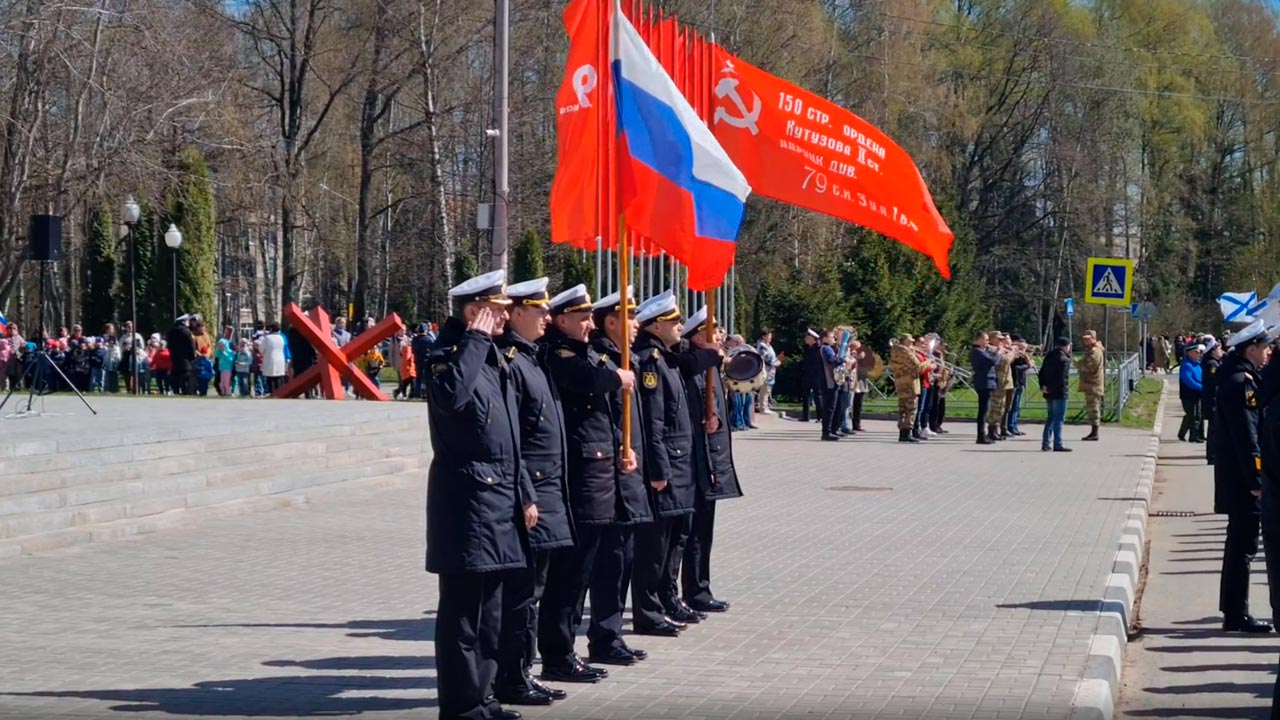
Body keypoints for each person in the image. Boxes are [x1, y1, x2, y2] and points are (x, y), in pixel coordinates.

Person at [423, 269, 530, 720]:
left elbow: (509, 437)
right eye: (497, 311)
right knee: (463, 614)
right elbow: (451, 398)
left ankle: (484, 697)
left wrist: (524, 493)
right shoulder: (447, 355)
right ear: (473, 313)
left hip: (501, 500)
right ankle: (462, 704)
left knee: (491, 613)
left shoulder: (489, 356)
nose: (505, 319)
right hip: (466, 502)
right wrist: (475, 342)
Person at [538, 285, 639, 685]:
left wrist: (621, 445)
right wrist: (617, 376)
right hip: (579, 481)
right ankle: (557, 654)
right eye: (582, 318)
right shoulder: (558, 353)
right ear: (561, 320)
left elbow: (604, 413)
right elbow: (585, 381)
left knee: (580, 573)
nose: (589, 324)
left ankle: (565, 653)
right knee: (567, 577)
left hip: (600, 477)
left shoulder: (588, 352)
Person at [492, 277, 574, 706]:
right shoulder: (512, 361)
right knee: (523, 594)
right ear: (517, 312)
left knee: (533, 592)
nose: (547, 316)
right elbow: (516, 440)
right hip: (531, 496)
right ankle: (512, 677)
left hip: (546, 493)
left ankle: (521, 671)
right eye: (539, 310)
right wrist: (525, 493)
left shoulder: (531, 358)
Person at [631, 290, 719, 646]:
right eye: (675, 322)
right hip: (666, 465)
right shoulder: (651, 361)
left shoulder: (668, 357)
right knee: (655, 546)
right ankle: (649, 611)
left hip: (682, 463)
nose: (680, 326)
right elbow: (653, 424)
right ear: (656, 326)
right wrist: (659, 469)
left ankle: (668, 599)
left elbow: (691, 364)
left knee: (675, 539)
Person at [1213, 320, 1274, 635]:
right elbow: (1247, 437)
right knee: (1244, 546)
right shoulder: (1242, 383)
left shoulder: (1235, 376)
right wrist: (1255, 480)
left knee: (1238, 543)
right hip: (1242, 479)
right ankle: (1237, 613)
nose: (1267, 353)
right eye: (1264, 348)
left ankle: (1233, 609)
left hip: (1235, 475)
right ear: (1251, 348)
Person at [680, 305, 740, 616]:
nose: (718, 335)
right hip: (693, 458)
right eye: (712, 331)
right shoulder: (692, 364)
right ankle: (688, 592)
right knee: (688, 532)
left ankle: (700, 588)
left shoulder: (712, 364)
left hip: (711, 458)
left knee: (704, 530)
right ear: (696, 336)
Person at [890, 334, 926, 443]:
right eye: (909, 341)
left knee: (902, 408)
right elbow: (918, 366)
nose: (911, 343)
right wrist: (929, 363)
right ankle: (907, 433)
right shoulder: (906, 351)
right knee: (911, 408)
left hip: (900, 382)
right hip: (910, 382)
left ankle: (902, 433)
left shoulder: (894, 350)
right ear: (904, 341)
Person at [1038, 337, 1072, 452]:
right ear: (1066, 346)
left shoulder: (1049, 356)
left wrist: (1043, 386)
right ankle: (1058, 443)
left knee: (1050, 417)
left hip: (1048, 391)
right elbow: (1061, 378)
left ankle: (1045, 443)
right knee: (1059, 419)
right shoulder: (1064, 360)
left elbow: (1041, 372)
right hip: (1059, 392)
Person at [971, 331, 998, 445]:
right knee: (983, 411)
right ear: (979, 340)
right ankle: (980, 436)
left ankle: (983, 434)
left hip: (988, 382)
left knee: (985, 410)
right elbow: (993, 361)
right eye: (986, 340)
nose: (988, 342)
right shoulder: (977, 352)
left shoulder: (983, 351)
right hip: (984, 383)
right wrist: (998, 353)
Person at [1079, 330, 1106, 441]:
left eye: (1088, 339)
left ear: (1093, 339)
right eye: (1084, 339)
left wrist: (1078, 364)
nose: (1085, 341)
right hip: (1090, 384)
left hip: (1093, 384)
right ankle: (1093, 432)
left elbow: (1090, 367)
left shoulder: (1095, 351)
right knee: (1091, 408)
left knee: (1093, 408)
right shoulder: (1091, 350)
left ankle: (1095, 432)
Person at [817, 330, 843, 440]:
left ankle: (832, 430)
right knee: (829, 407)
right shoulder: (826, 348)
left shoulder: (827, 348)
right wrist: (843, 359)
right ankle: (826, 432)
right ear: (825, 338)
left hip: (830, 381)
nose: (834, 339)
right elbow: (833, 361)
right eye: (832, 337)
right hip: (829, 381)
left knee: (833, 406)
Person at [987, 333, 1012, 442]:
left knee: (1001, 408)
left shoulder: (999, 348)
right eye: (999, 339)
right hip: (997, 381)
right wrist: (1013, 352)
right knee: (995, 407)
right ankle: (991, 431)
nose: (1001, 341)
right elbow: (1005, 360)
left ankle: (995, 430)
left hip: (1003, 382)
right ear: (992, 339)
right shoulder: (990, 348)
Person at [1006, 335, 1032, 436]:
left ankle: (1015, 426)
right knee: (1013, 406)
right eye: (1023, 345)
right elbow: (1016, 368)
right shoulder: (1015, 356)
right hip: (1015, 382)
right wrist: (1027, 365)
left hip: (1021, 382)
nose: (1025, 347)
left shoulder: (1023, 355)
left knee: (1017, 407)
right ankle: (1011, 426)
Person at [1178, 345, 1205, 442]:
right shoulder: (1186, 365)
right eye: (1196, 352)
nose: (1198, 354)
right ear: (1189, 353)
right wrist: (1202, 388)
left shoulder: (1197, 364)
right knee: (1192, 415)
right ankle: (1193, 436)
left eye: (1199, 352)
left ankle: (1184, 433)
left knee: (1196, 415)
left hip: (1197, 394)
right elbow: (1188, 380)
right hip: (1188, 394)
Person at [1203, 338, 1223, 464]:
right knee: (1213, 430)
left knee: (1214, 429)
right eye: (1219, 349)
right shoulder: (1212, 364)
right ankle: (1212, 456)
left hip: (1212, 400)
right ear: (1212, 351)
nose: (1221, 351)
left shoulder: (1214, 362)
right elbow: (1216, 381)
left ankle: (1213, 455)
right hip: (1212, 401)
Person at [166, 314, 196, 396]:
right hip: (185, 359)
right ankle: (186, 391)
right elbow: (191, 345)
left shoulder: (171, 331)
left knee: (175, 375)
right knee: (185, 376)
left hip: (174, 357)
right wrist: (192, 356)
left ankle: (175, 391)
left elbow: (169, 345)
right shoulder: (186, 332)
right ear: (184, 322)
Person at [754, 330, 780, 414]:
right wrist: (776, 363)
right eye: (769, 336)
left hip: (770, 371)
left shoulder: (768, 346)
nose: (770, 338)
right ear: (764, 336)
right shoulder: (762, 346)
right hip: (766, 370)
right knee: (764, 389)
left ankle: (765, 406)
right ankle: (763, 407)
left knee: (767, 390)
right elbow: (766, 358)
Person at [800, 329, 822, 422]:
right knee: (805, 395)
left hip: (816, 375)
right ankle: (805, 416)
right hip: (807, 375)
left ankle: (820, 416)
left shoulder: (818, 348)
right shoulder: (806, 348)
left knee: (818, 396)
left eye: (808, 338)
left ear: (813, 339)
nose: (806, 339)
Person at [260, 323, 288, 394]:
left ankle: (272, 393)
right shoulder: (281, 337)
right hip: (280, 359)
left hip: (270, 359)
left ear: (271, 329)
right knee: (278, 378)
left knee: (270, 378)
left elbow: (261, 349)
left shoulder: (267, 338)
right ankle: (280, 393)